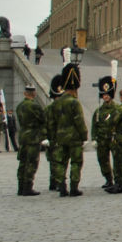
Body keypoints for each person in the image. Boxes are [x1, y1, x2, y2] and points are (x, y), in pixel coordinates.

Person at [51, 54, 88, 196]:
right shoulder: (74, 102)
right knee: (76, 162)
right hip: (74, 138)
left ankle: (61, 186)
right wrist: (84, 136)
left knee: (61, 162)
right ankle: (73, 187)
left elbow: (52, 122)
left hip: (60, 137)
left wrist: (53, 136)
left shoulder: (57, 103)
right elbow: (79, 121)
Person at [15, 84, 45, 196]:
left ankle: (20, 187)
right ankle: (28, 187)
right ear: (34, 94)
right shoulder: (34, 106)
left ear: (25, 93)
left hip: (23, 137)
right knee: (31, 163)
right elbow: (42, 119)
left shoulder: (19, 106)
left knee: (22, 162)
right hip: (33, 137)